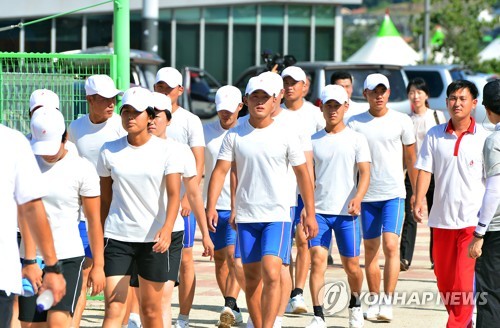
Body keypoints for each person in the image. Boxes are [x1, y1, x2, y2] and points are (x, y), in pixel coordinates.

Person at [206, 74, 318, 328]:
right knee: (251, 277)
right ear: (245, 100)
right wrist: (211, 206)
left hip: (277, 215)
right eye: (255, 96)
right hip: (247, 216)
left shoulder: (287, 133)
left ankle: (269, 324)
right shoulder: (235, 135)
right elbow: (221, 171)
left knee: (271, 271)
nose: (260, 101)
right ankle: (258, 324)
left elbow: (303, 173)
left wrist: (309, 212)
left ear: (274, 101)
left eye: (265, 97)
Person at [97, 87, 184, 327]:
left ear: (149, 116)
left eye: (136, 112)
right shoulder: (108, 150)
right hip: (117, 238)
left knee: (151, 310)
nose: (130, 117)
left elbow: (175, 194)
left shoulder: (168, 150)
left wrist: (167, 228)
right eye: (125, 112)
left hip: (153, 241)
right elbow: (104, 200)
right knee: (114, 307)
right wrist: (99, 238)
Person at [18, 108, 105, 327]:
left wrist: (99, 266)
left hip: (68, 257)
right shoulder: (25, 164)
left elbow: (94, 221)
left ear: (65, 137)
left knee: (57, 322)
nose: (45, 153)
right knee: (31, 324)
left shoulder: (82, 168)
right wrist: (28, 260)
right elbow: (22, 214)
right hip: (31, 259)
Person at [413, 80, 489, 328]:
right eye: (452, 99)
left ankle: (455, 324)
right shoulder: (435, 135)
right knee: (445, 282)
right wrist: (419, 198)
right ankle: (463, 322)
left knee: (464, 283)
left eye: (462, 98)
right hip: (441, 220)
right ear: (446, 103)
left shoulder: (485, 138)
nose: (457, 103)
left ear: (474, 103)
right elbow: (425, 170)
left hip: (471, 222)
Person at [347, 73, 417, 322]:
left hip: (394, 194)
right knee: (371, 250)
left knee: (390, 246)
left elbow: (411, 158)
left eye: (383, 91)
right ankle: (375, 300)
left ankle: (388, 301)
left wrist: (417, 193)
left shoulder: (401, 121)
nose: (379, 95)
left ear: (388, 93)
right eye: (373, 91)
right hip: (366, 196)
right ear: (364, 94)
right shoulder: (354, 123)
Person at [147, 91, 214, 327]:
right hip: (133, 235)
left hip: (169, 232)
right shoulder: (127, 147)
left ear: (168, 119)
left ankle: (182, 317)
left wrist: (205, 234)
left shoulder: (179, 150)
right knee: (145, 301)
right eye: (148, 114)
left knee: (163, 296)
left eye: (157, 116)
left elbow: (194, 193)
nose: (151, 120)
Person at [307, 85, 371, 328]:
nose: (332, 110)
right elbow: (307, 178)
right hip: (320, 213)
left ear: (346, 106)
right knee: (317, 261)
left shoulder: (356, 139)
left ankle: (355, 306)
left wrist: (359, 197)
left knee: (352, 266)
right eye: (328, 105)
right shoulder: (312, 141)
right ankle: (318, 315)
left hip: (347, 214)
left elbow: (365, 173)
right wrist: (307, 207)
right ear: (321, 107)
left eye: (337, 105)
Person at [67, 74, 126, 328]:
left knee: (116, 278)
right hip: (83, 215)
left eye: (114, 97)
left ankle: (127, 321)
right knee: (84, 273)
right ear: (89, 99)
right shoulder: (75, 128)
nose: (112, 103)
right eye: (105, 99)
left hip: (116, 213)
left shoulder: (121, 126)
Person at [0, 122, 66, 328]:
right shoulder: (12, 142)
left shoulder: (13, 142)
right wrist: (52, 267)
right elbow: (30, 207)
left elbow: (30, 208)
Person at [280, 66, 324, 315]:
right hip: (282, 188)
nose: (289, 87)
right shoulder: (277, 113)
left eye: (294, 83)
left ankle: (297, 292)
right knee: (285, 244)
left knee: (303, 239)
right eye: (286, 82)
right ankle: (286, 291)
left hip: (305, 188)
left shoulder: (316, 115)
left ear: (305, 86)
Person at [203, 85, 244, 328]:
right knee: (219, 259)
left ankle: (229, 304)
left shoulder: (247, 131)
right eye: (221, 110)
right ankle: (232, 307)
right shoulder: (205, 132)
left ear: (241, 107)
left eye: (230, 110)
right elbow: (199, 169)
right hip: (214, 206)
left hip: (240, 206)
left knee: (232, 257)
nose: (225, 115)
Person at [399, 78, 446, 272]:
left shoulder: (437, 116)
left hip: (434, 172)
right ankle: (404, 258)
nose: (415, 96)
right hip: (413, 172)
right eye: (411, 92)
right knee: (410, 214)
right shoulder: (406, 120)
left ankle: (437, 257)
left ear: (426, 95)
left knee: (435, 214)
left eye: (419, 92)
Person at [468, 79, 500, 327]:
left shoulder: (494, 141)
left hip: (497, 231)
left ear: (487, 110)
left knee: (489, 295)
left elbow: (494, 188)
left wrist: (479, 232)